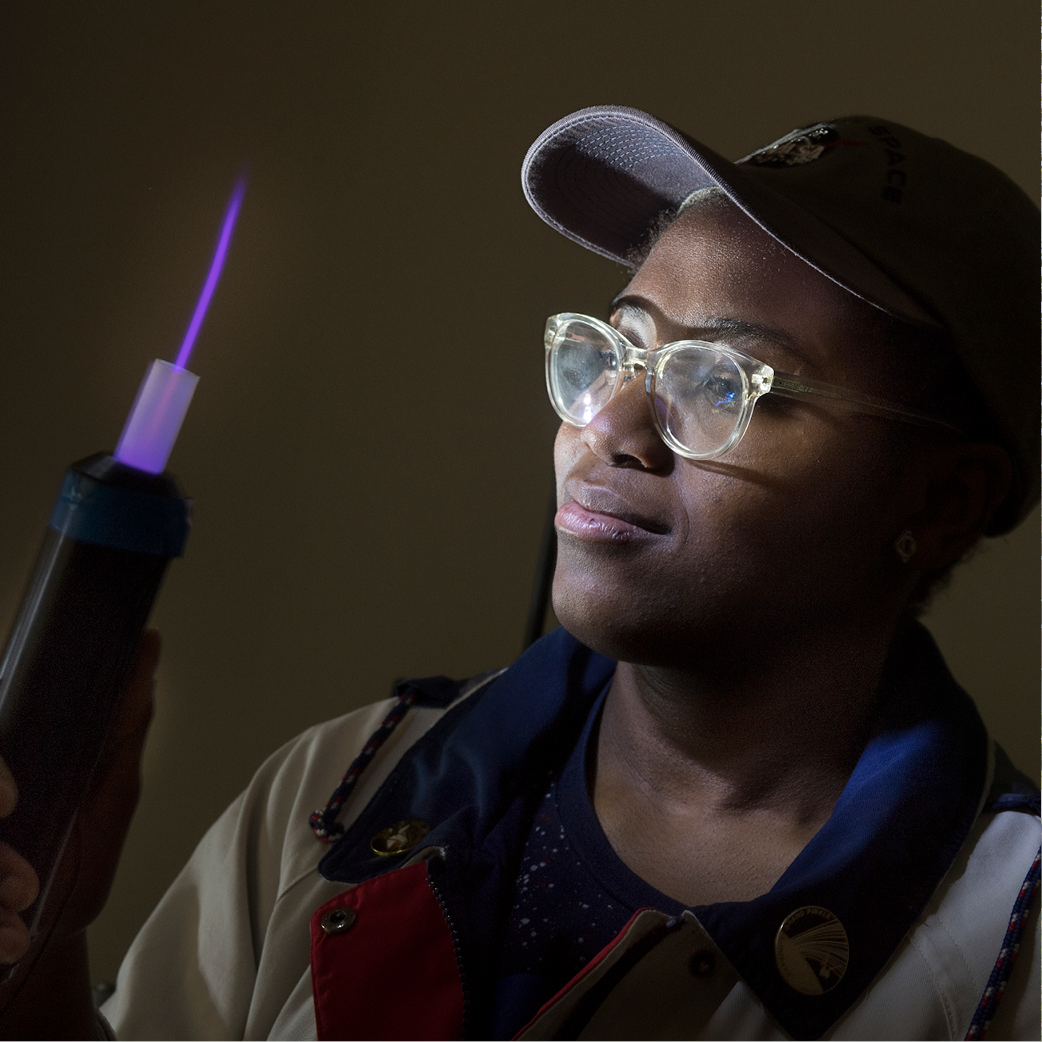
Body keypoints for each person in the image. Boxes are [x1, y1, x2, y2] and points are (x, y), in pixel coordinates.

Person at [0, 106, 1037, 1040]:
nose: (609, 426)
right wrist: (44, 937)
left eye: (720, 382)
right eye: (619, 350)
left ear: (940, 502)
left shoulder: (1011, 953)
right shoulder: (341, 789)